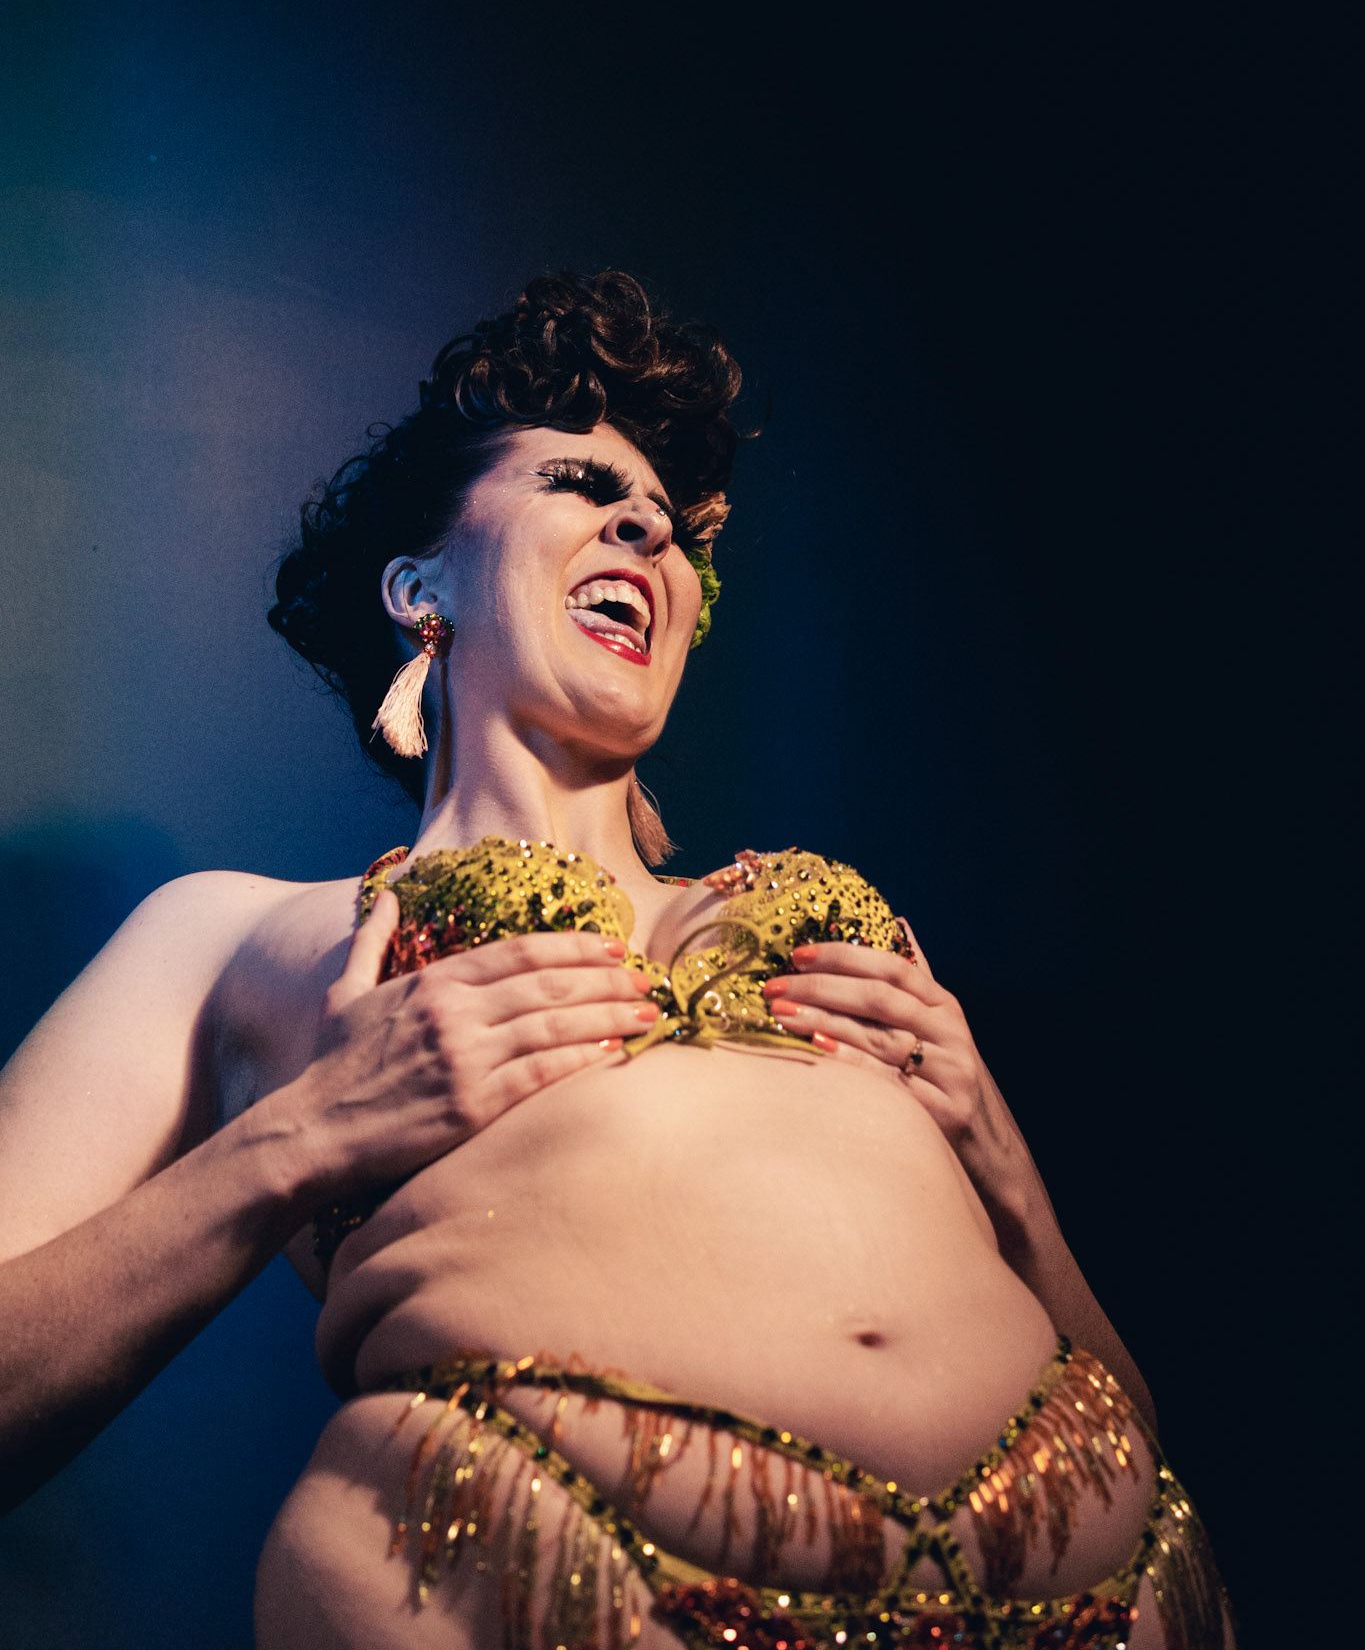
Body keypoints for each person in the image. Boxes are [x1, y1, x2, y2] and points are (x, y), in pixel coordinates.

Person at [0, 273, 1232, 1649]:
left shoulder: (827, 924)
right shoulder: (232, 932)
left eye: (672, 528)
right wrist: (304, 1137)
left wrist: (1011, 1179)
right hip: (562, 1588)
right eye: (581, 485)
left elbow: (1129, 1416)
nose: (648, 525)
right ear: (417, 584)